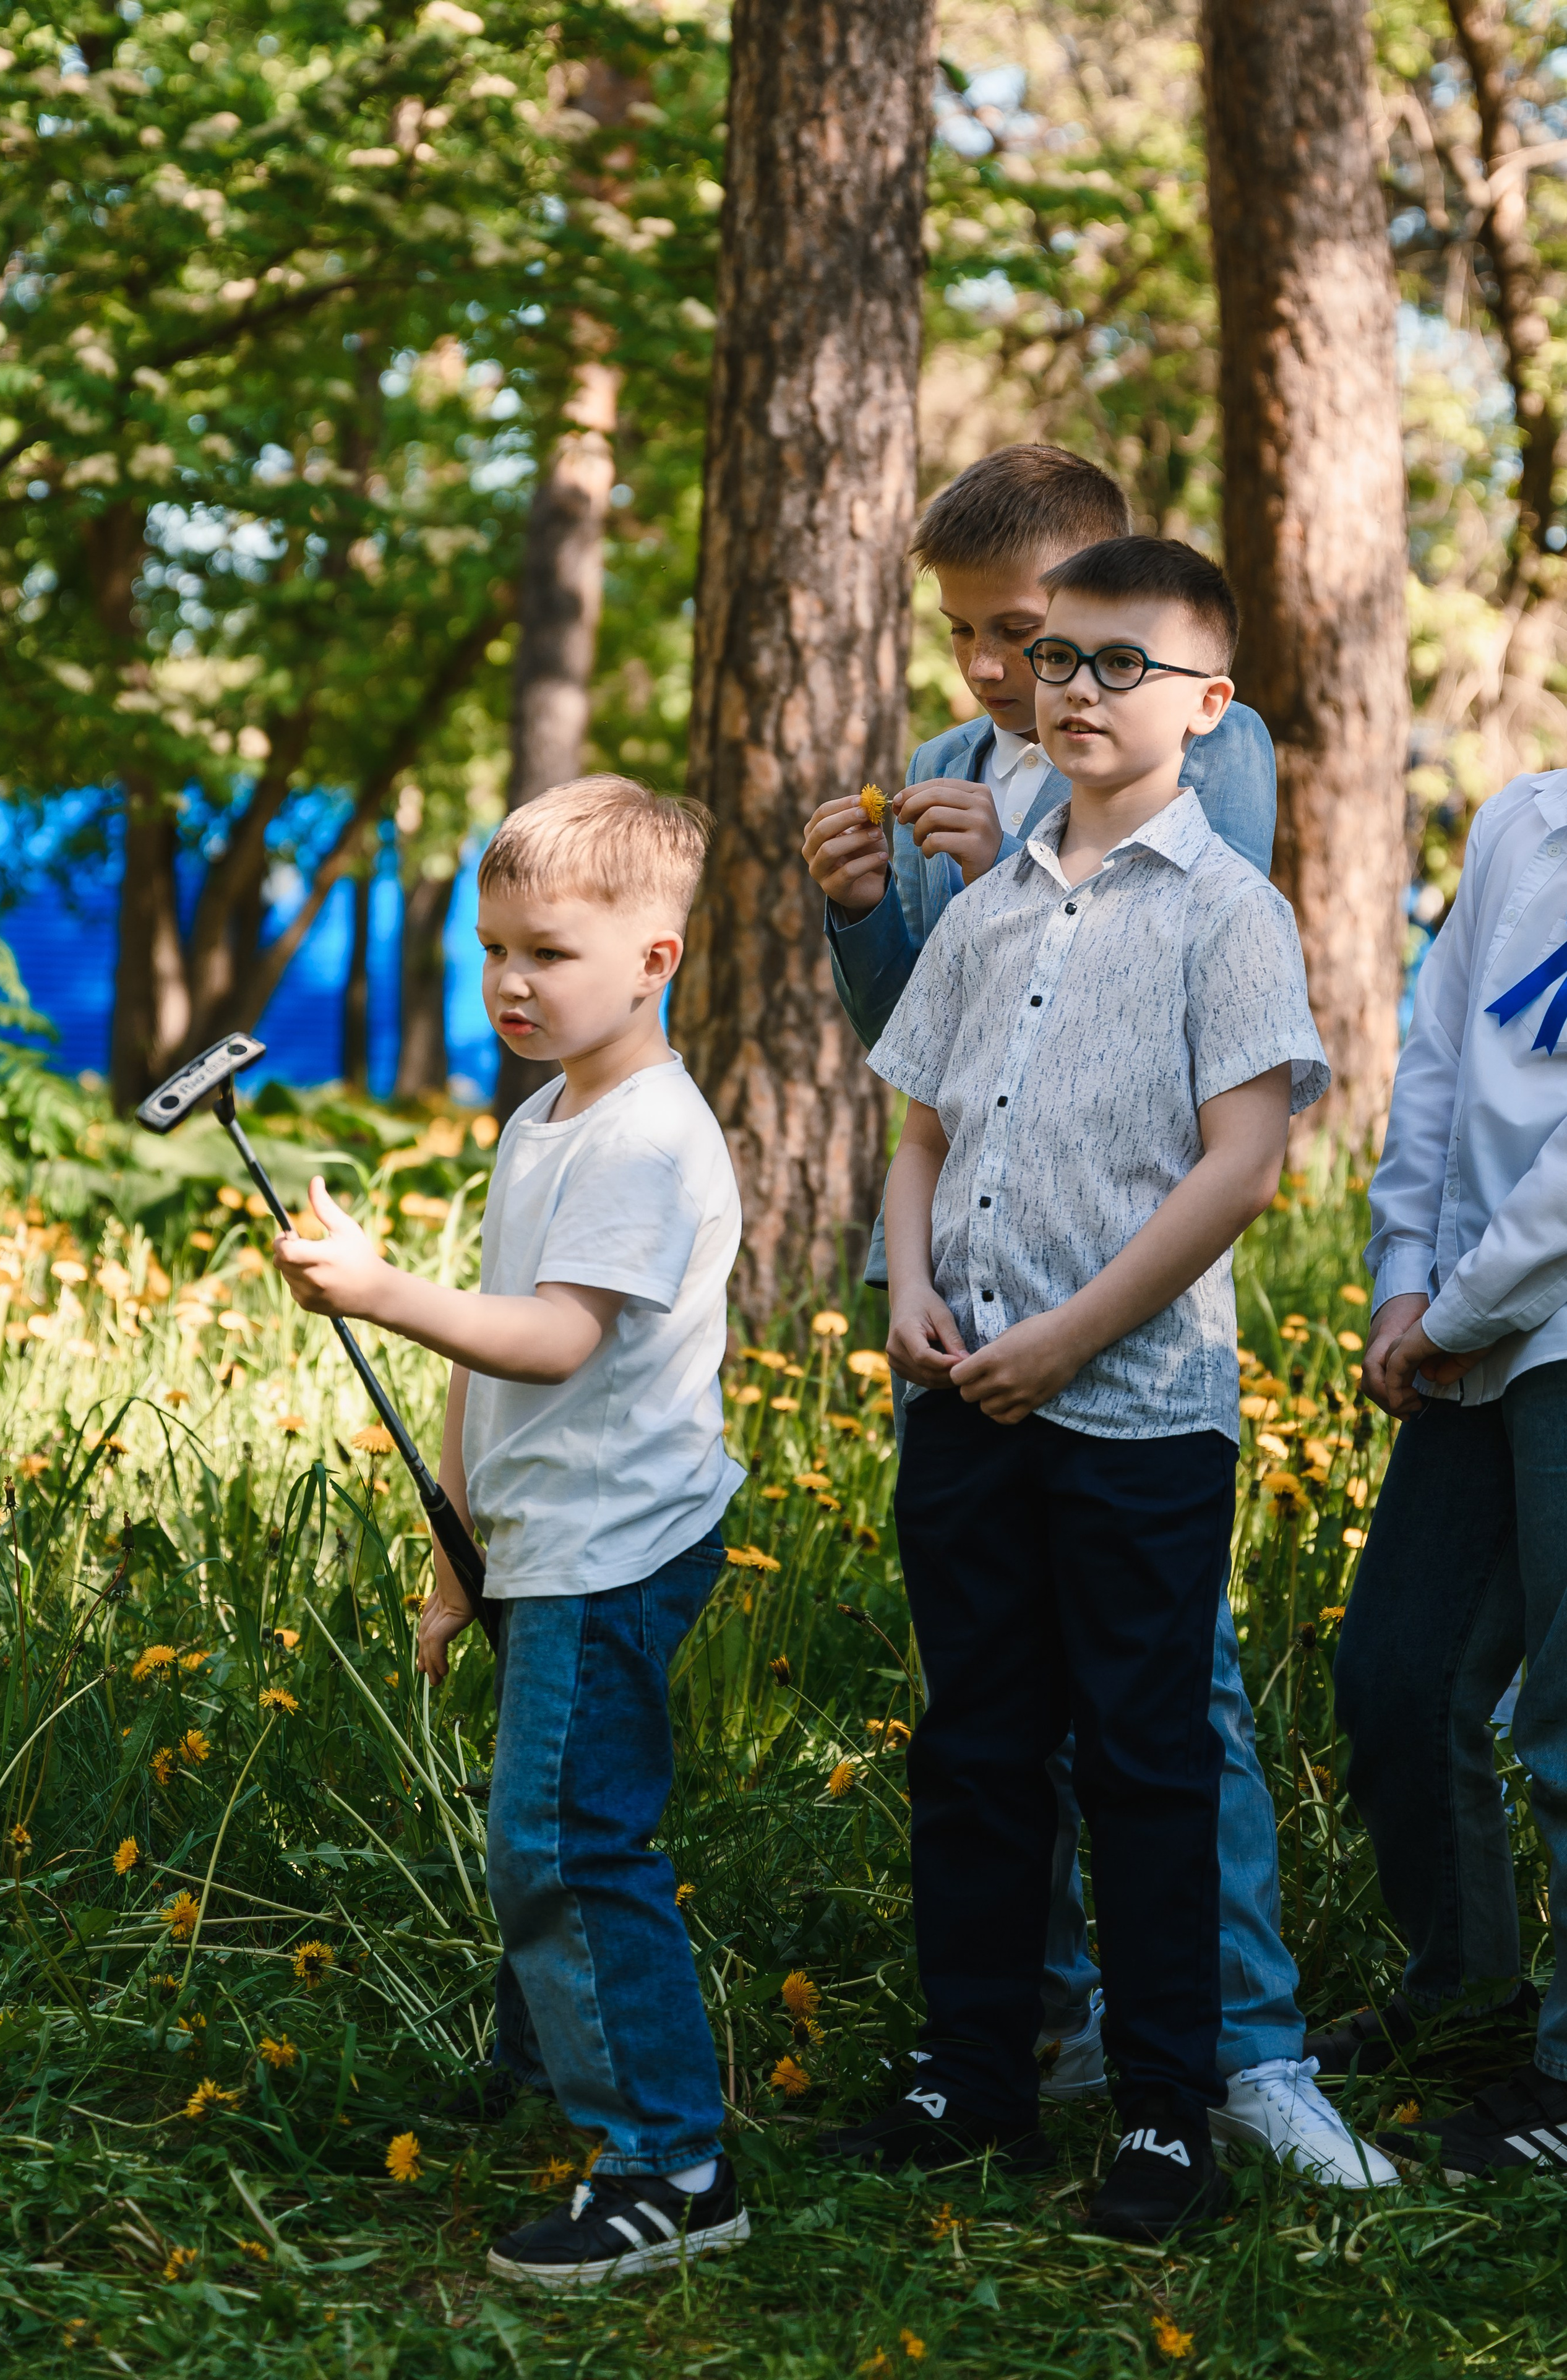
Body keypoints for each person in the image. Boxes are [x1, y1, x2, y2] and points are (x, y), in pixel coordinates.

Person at [803, 446, 1389, 2191]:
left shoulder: (1213, 804)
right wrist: (866, 917)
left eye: (1045, 638)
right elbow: (926, 1061)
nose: (1019, 677)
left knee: (1163, 1722)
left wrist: (1023, 856)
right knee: (980, 1724)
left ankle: (1219, 2065)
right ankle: (1004, 2051)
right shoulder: (946, 801)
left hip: (1130, 1369)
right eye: (996, 648)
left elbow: (1216, 1083)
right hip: (963, 1350)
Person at [270, 775, 750, 2287]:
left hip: (618, 1545)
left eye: (545, 951)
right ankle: (551, 2054)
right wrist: (450, 1554)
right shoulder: (545, 1119)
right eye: (493, 951)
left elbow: (549, 1339)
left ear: (652, 962)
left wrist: (379, 1290)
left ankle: (670, 2162)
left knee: (563, 1832)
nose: (509, 983)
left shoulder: (643, 1140)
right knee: (548, 1807)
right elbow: (490, 1379)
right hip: (550, 1539)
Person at [1308, 763, 1567, 2178]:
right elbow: (1433, 1060)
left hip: (1541, 1310)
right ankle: (1464, 1988)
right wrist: (1401, 1276)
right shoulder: (1524, 817)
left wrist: (1459, 1305)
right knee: (1398, 1669)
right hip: (1472, 1310)